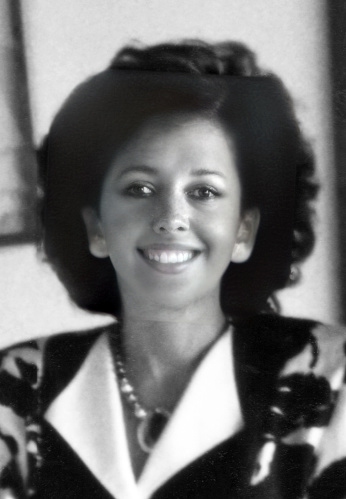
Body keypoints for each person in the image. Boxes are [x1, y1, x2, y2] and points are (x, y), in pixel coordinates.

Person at [0, 40, 345, 499]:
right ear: (97, 226)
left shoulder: (329, 377)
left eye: (204, 192)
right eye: (140, 188)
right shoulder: (19, 386)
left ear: (243, 231)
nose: (170, 216)